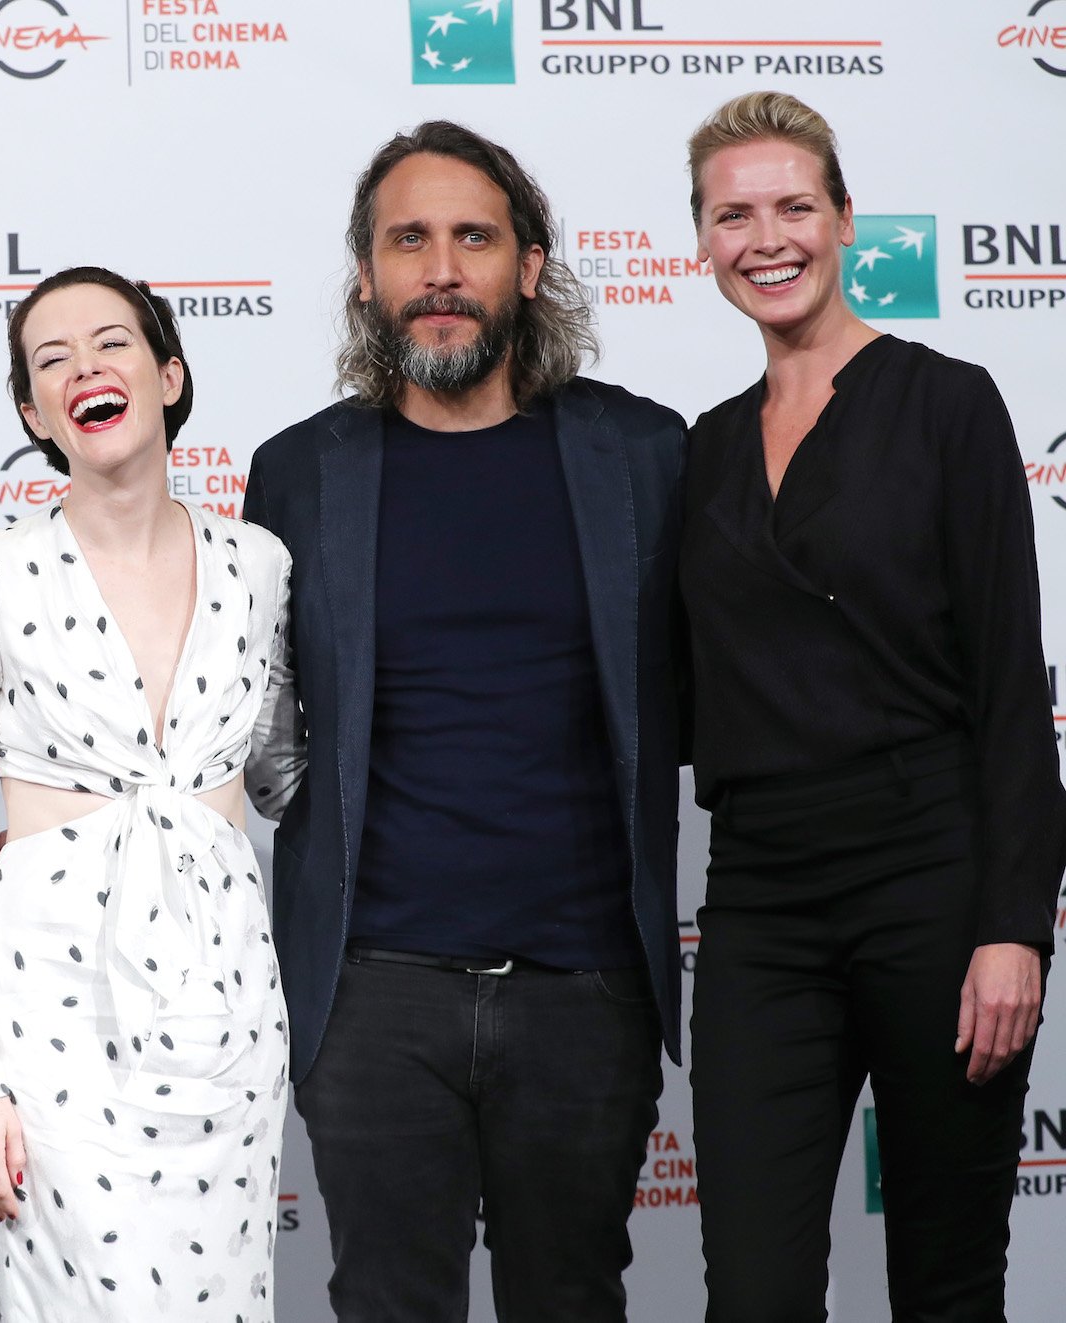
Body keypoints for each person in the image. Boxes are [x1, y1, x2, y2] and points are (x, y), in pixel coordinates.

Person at [241, 123, 686, 1322]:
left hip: (585, 988)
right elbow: (261, 729)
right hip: (373, 992)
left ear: (528, 268)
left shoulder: (644, 456)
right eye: (408, 239)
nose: (440, 268)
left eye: (472, 237)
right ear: (367, 275)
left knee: (572, 1300)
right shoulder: (297, 475)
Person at [681, 91, 1061, 1321]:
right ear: (701, 243)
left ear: (845, 222)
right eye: (732, 214)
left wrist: (1016, 927)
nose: (766, 236)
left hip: (933, 886)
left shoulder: (946, 404)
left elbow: (1013, 687)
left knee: (946, 1285)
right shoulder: (704, 447)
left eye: (794, 206)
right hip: (760, 901)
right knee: (752, 1288)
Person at [0, 266, 297, 1320]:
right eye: (51, 359)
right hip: (51, 1008)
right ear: (33, 413)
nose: (85, 366)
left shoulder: (259, 565)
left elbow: (285, 779)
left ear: (169, 374)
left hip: (226, 1002)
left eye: (112, 342)